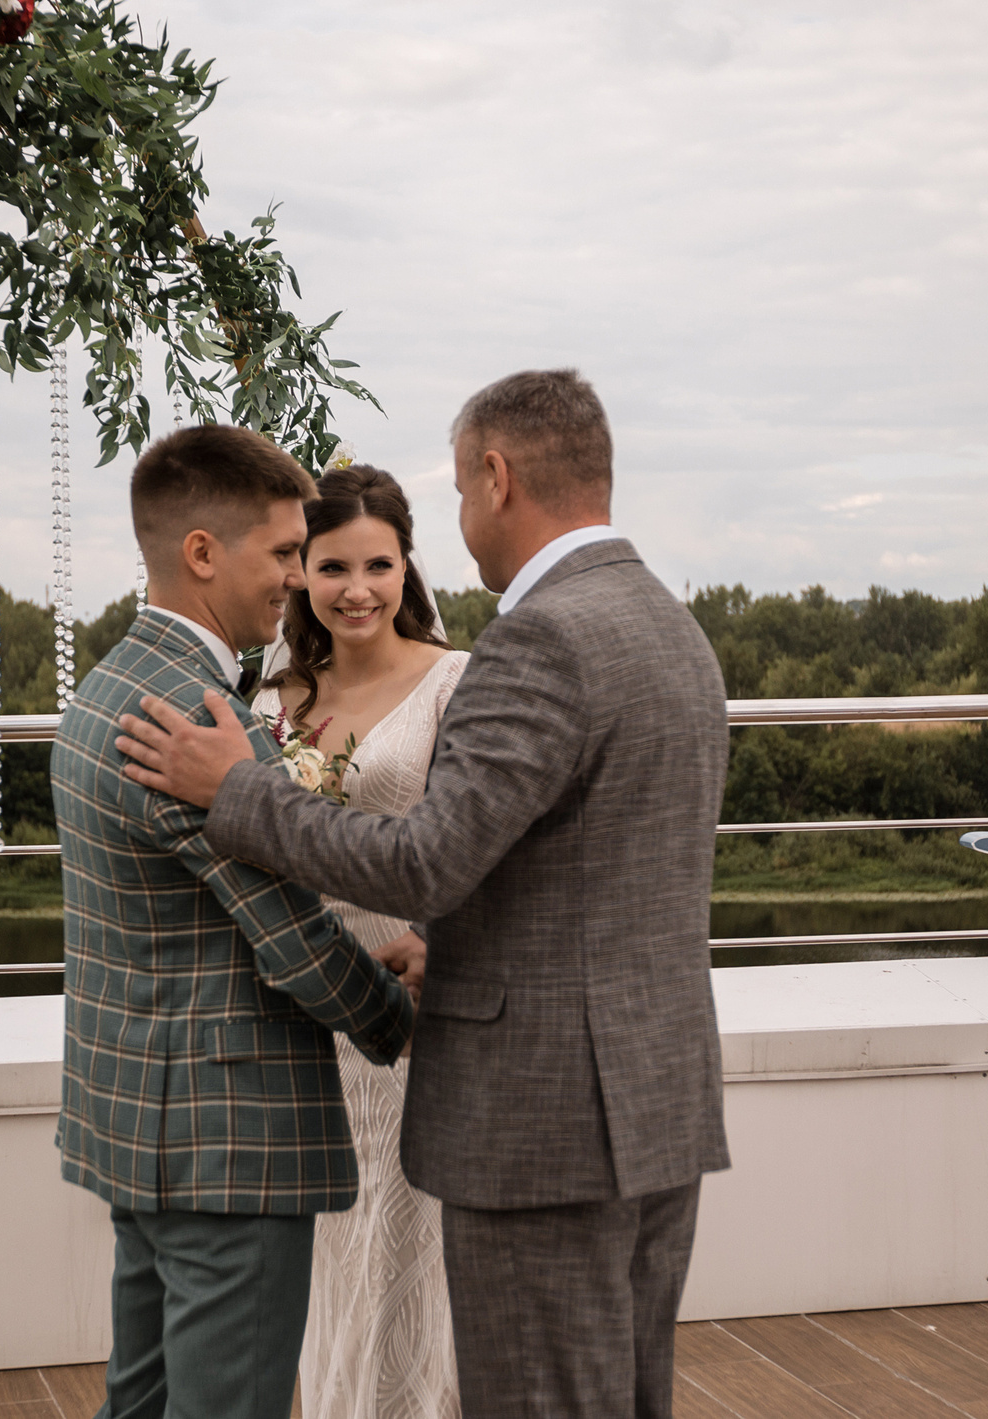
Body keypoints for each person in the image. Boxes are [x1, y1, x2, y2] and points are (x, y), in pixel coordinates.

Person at [116, 370, 731, 1419]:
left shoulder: (540, 638)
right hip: (657, 1099)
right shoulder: (669, 626)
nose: (460, 517)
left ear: (495, 477)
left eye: (455, 491)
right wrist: (456, 949)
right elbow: (593, 873)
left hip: (541, 1123)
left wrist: (237, 793)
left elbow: (424, 864)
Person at [51, 423, 419, 1419]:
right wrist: (397, 1013)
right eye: (285, 552)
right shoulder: (201, 719)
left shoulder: (107, 686)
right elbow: (291, 939)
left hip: (138, 1117)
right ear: (203, 553)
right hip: (229, 1142)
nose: (298, 579)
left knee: (142, 1398)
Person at [255, 463, 468, 1419]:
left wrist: (440, 948)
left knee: (410, 1262)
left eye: (378, 564)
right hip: (302, 1024)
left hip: (413, 1018)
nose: (357, 589)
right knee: (330, 1268)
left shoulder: (454, 681)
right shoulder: (275, 695)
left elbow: (475, 844)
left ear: (406, 565)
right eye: (331, 565)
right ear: (298, 571)